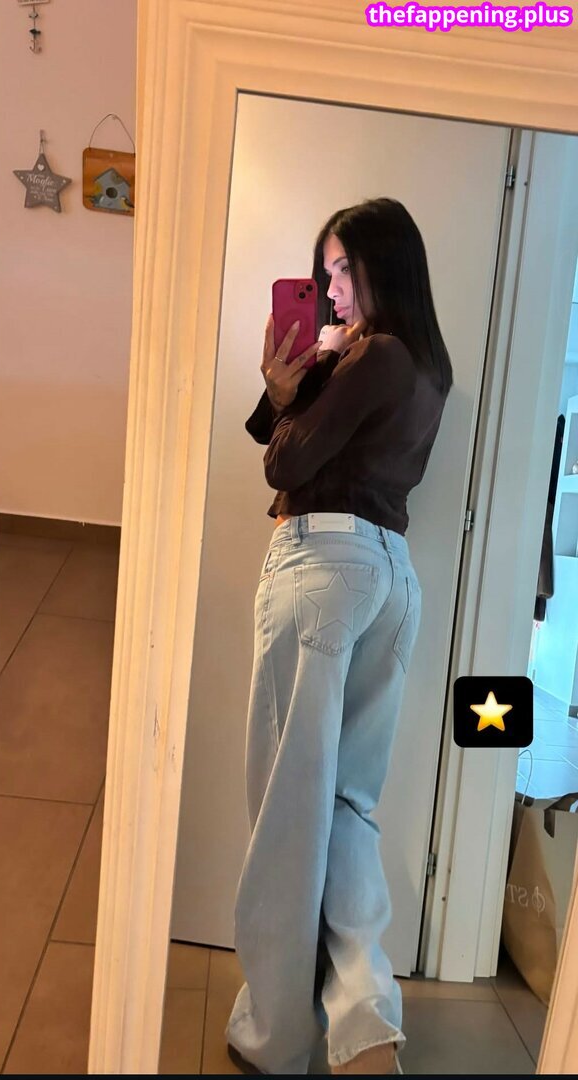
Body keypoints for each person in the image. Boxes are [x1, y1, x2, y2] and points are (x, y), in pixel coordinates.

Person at [225, 197, 453, 1076]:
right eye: (324, 274)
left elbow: (285, 461)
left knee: (290, 816)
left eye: (344, 270)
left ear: (384, 264)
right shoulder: (424, 365)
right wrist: (302, 379)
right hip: (392, 582)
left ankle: (277, 1042)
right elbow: (286, 429)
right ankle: (364, 1029)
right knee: (347, 811)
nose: (332, 290)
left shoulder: (373, 355)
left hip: (323, 566)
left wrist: (307, 386)